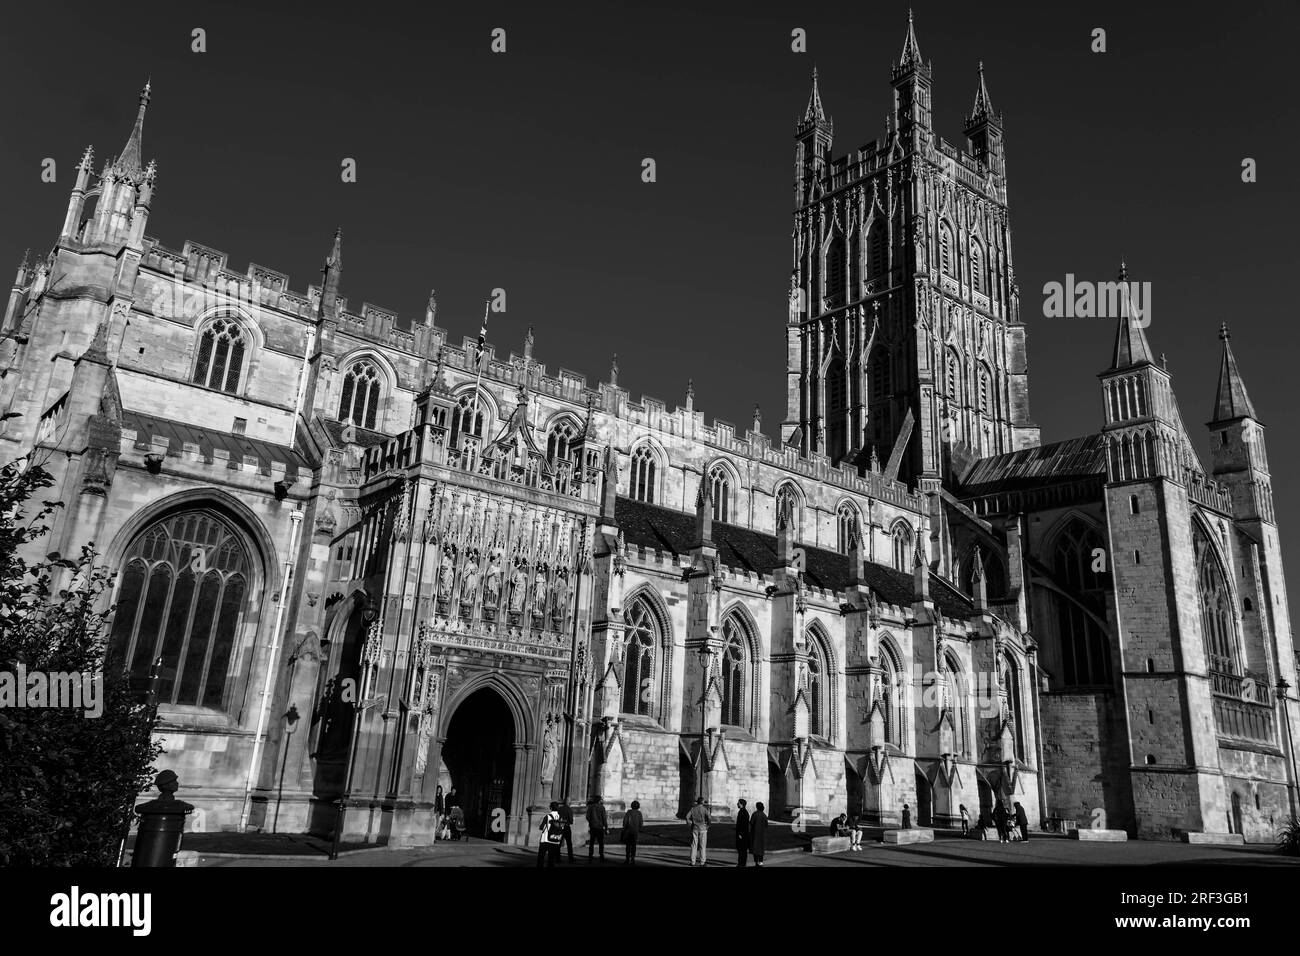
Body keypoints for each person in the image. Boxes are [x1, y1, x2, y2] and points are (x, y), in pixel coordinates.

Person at [537, 801, 563, 867]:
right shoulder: (560, 817)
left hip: (545, 840)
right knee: (551, 860)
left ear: (550, 808)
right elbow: (562, 827)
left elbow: (541, 827)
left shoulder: (547, 816)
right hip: (555, 840)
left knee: (541, 858)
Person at [687, 796, 711, 866]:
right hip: (703, 829)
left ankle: (692, 861)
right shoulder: (704, 809)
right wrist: (707, 825)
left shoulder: (693, 809)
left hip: (695, 828)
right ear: (702, 802)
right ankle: (702, 862)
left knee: (694, 845)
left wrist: (689, 824)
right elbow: (709, 818)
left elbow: (687, 817)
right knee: (702, 846)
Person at [621, 799, 644, 865]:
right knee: (633, 846)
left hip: (628, 831)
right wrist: (640, 828)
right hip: (635, 832)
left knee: (628, 846)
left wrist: (624, 828)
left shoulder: (629, 812)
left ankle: (627, 859)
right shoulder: (639, 813)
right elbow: (641, 822)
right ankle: (632, 859)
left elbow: (625, 821)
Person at [586, 795, 608, 862]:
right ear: (599, 800)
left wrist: (591, 822)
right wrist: (606, 827)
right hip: (599, 827)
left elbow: (587, 816)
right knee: (601, 842)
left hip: (593, 826)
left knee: (592, 842)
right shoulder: (602, 807)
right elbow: (604, 818)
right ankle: (601, 855)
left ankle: (590, 855)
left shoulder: (590, 807)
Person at [750, 801, 768, 866]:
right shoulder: (764, 815)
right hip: (762, 834)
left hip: (755, 834)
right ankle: (761, 861)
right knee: (761, 848)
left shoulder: (755, 814)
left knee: (755, 848)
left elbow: (751, 823)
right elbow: (766, 825)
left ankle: (756, 861)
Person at [558, 799, 575, 863]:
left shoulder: (559, 809)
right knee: (569, 843)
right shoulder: (569, 809)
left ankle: (558, 858)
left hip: (560, 827)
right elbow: (571, 821)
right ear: (569, 803)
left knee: (558, 843)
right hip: (566, 827)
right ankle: (570, 859)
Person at [735, 799, 751, 867]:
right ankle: (742, 863)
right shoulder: (743, 811)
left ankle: (741, 863)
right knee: (742, 850)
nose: (737, 804)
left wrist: (740, 834)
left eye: (738, 803)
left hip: (742, 834)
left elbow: (743, 824)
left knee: (742, 850)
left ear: (741, 804)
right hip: (744, 834)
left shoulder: (742, 812)